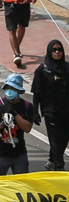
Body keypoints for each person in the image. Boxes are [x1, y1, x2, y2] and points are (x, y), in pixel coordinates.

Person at [31, 40, 69, 171]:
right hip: (50, 111)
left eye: (59, 49)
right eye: (54, 50)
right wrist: (35, 112)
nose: (57, 52)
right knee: (55, 140)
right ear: (49, 51)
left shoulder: (67, 68)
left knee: (64, 139)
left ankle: (52, 160)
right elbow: (37, 92)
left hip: (66, 111)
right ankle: (59, 166)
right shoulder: (43, 70)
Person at [0, 73, 34, 175]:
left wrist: (14, 113)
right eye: (8, 88)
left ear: (19, 91)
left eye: (13, 88)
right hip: (0, 154)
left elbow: (27, 128)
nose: (10, 91)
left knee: (22, 184)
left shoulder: (27, 106)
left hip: (19, 154)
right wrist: (2, 124)